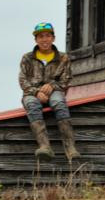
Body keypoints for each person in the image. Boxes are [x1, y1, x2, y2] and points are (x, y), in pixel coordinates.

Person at [19, 22, 80, 161]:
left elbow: (67, 80)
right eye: (40, 36)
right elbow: (23, 80)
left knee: (59, 102)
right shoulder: (27, 58)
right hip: (32, 93)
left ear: (53, 38)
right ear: (36, 40)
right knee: (32, 105)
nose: (44, 39)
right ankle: (45, 147)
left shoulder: (63, 58)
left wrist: (52, 85)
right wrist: (36, 92)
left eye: (47, 36)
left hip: (55, 90)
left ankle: (70, 148)